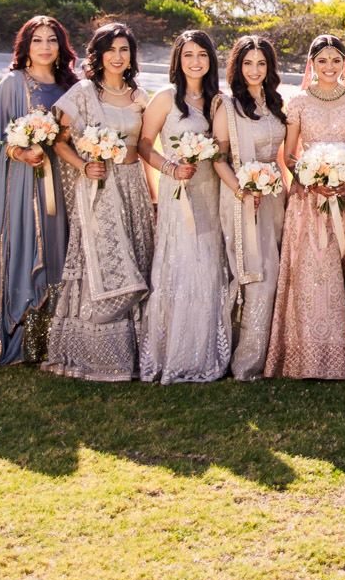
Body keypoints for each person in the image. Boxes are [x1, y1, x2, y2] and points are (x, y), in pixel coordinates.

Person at [265, 34, 345, 379]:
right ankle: (308, 353)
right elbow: (290, 153)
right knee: (312, 268)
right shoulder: (299, 103)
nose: (329, 66)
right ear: (312, 64)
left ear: (344, 63)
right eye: (322, 60)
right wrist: (310, 179)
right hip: (309, 198)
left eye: (336, 60)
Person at [42, 23, 156, 382]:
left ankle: (136, 353)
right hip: (99, 187)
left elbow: (146, 145)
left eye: (125, 50)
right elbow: (59, 140)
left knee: (136, 258)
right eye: (112, 50)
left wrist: (154, 195)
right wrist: (83, 166)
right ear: (99, 54)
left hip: (134, 184)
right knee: (101, 263)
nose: (119, 57)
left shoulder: (139, 96)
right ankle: (93, 354)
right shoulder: (83, 93)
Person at [137, 29, 234, 383]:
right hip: (176, 191)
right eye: (188, 55)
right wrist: (170, 167)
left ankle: (206, 352)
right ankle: (171, 352)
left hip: (209, 189)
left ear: (211, 61)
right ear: (178, 60)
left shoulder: (218, 102)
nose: (196, 62)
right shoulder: (165, 98)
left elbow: (223, 149)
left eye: (202, 55)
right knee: (180, 261)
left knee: (209, 262)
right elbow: (144, 144)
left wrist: (212, 153)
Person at [0, 15, 76, 365]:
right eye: (37, 40)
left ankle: (59, 335)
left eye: (52, 39)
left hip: (65, 176)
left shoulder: (71, 85)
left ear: (61, 46)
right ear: (25, 46)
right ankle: (22, 333)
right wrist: (21, 151)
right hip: (26, 181)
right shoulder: (13, 83)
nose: (45, 47)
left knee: (62, 245)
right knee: (30, 243)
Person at [216, 34, 288, 382]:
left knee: (278, 273)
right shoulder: (227, 107)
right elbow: (218, 158)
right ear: (237, 66)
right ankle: (246, 362)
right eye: (247, 63)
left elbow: (285, 155)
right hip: (243, 197)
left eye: (261, 63)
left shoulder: (276, 102)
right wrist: (242, 190)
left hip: (276, 196)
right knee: (256, 275)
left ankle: (274, 355)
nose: (255, 70)